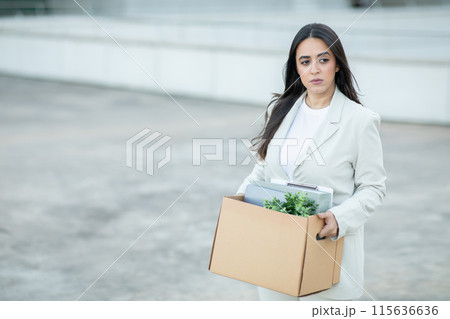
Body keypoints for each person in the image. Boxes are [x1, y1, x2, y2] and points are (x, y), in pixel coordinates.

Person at [235, 23, 386, 301]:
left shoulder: (361, 121)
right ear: (297, 68)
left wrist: (340, 218)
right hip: (275, 263)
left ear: (337, 65)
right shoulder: (281, 110)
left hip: (328, 261)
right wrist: (239, 203)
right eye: (306, 62)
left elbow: (373, 188)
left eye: (323, 60)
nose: (314, 69)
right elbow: (264, 168)